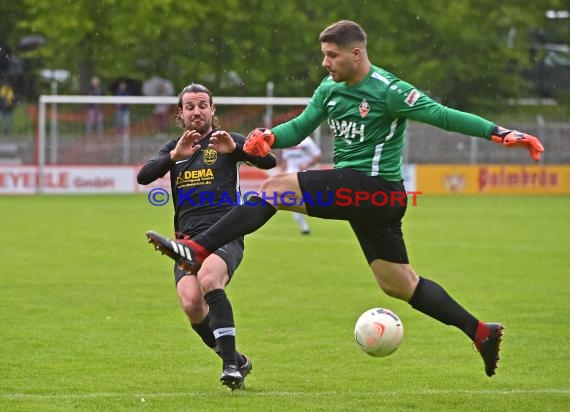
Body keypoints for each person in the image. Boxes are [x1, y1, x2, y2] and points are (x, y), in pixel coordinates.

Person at [146, 20, 545, 378]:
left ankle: (197, 248)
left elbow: (442, 115)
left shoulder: (389, 91)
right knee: (399, 284)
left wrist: (501, 132)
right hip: (359, 195)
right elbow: (299, 128)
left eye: (331, 55)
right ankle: (480, 332)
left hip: (376, 190)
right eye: (324, 55)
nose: (325, 63)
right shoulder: (331, 88)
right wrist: (269, 137)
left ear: (356, 54)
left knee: (274, 190)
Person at [138, 83, 276, 390]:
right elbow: (144, 176)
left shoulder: (225, 140)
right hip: (186, 240)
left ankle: (230, 368)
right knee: (191, 304)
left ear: (213, 110)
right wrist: (174, 155)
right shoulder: (175, 147)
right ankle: (237, 359)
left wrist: (237, 150)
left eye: (203, 105)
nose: (197, 111)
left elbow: (270, 163)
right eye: (190, 106)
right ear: (181, 113)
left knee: (210, 279)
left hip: (225, 232)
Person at [280, 136, 322, 234]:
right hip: (291, 176)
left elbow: (318, 156)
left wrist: (307, 165)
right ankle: (304, 227)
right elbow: (285, 162)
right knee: (293, 201)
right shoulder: (286, 142)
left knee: (309, 199)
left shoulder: (306, 141)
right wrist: (281, 174)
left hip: (305, 175)